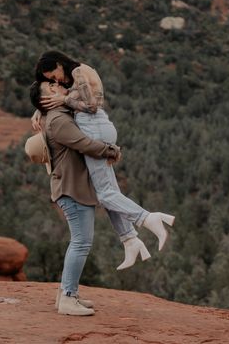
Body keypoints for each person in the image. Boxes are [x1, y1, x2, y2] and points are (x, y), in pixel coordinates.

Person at [32, 50, 175, 269]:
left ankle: (148, 219)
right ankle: (130, 240)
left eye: (53, 74)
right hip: (96, 128)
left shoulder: (79, 71)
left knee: (105, 193)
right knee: (108, 191)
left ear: (59, 63)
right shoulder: (72, 76)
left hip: (94, 129)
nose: (55, 80)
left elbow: (91, 105)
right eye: (50, 80)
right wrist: (39, 110)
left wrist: (63, 99)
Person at [29, 79, 122, 316]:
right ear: (49, 90)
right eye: (54, 83)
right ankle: (68, 298)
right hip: (71, 189)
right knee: (81, 243)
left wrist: (38, 109)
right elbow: (84, 144)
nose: (61, 84)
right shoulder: (59, 120)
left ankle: (66, 293)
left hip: (73, 187)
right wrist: (111, 150)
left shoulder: (58, 113)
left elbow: (84, 100)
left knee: (79, 242)